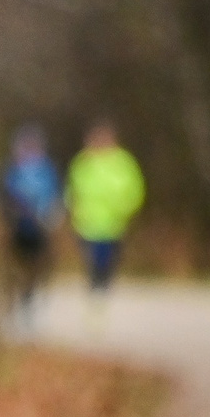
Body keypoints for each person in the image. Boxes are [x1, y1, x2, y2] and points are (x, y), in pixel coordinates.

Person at [66, 120, 146, 293]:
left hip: (114, 221)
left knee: (110, 256)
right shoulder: (83, 162)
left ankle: (105, 283)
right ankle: (94, 283)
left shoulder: (123, 162)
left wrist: (127, 208)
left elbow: (135, 188)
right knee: (91, 256)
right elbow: (72, 188)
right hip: (87, 221)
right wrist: (74, 208)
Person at [0, 124, 61, 317]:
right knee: (14, 265)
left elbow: (56, 194)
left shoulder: (48, 170)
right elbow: (0, 194)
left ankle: (30, 296)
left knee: (37, 264)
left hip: (40, 227)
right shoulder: (11, 169)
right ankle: (14, 301)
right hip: (17, 226)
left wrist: (53, 213)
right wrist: (9, 212)